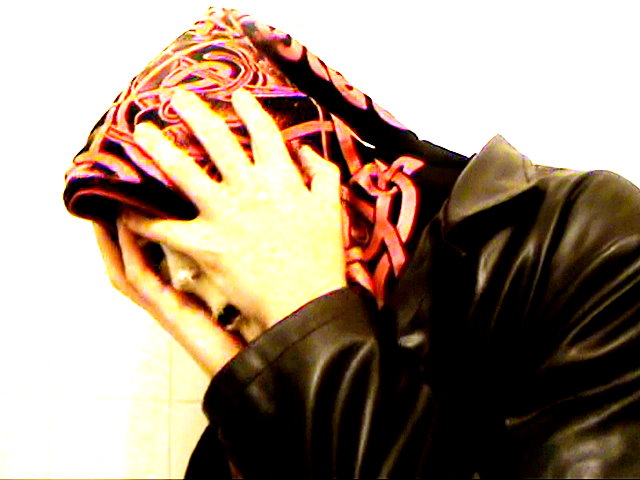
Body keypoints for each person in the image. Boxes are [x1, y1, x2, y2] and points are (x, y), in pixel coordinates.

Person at [78, 9, 640, 479]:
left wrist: (303, 314)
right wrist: (261, 392)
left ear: (307, 159)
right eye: (155, 255)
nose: (180, 279)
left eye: (196, 220)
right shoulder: (245, 431)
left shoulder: (580, 240)